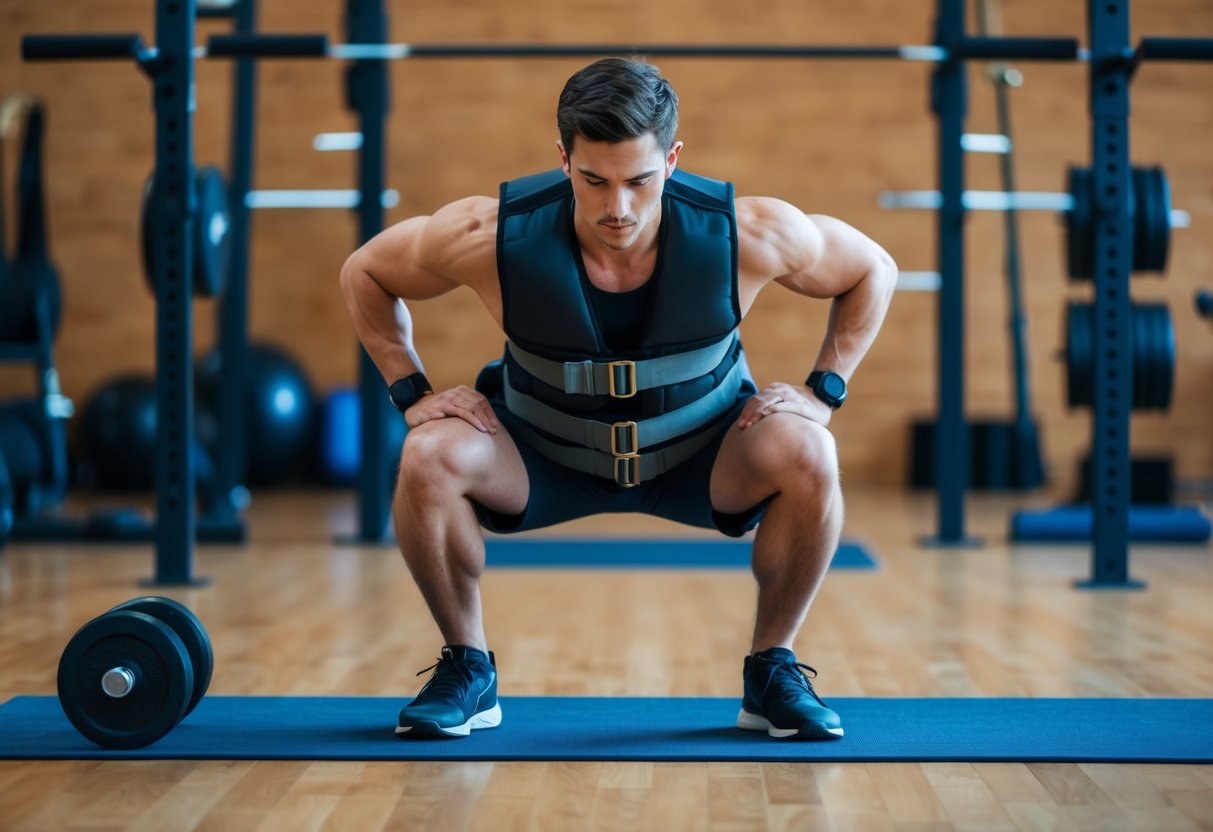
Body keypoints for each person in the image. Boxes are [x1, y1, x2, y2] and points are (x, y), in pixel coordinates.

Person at [340, 56, 897, 741]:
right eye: (592, 180)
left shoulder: (747, 234)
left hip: (701, 458)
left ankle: (771, 671)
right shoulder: (488, 237)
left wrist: (823, 391)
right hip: (543, 457)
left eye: (638, 180)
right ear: (563, 158)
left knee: (809, 448)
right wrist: (411, 392)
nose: (616, 208)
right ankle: (467, 668)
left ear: (672, 158)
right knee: (427, 453)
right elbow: (365, 270)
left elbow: (873, 268)